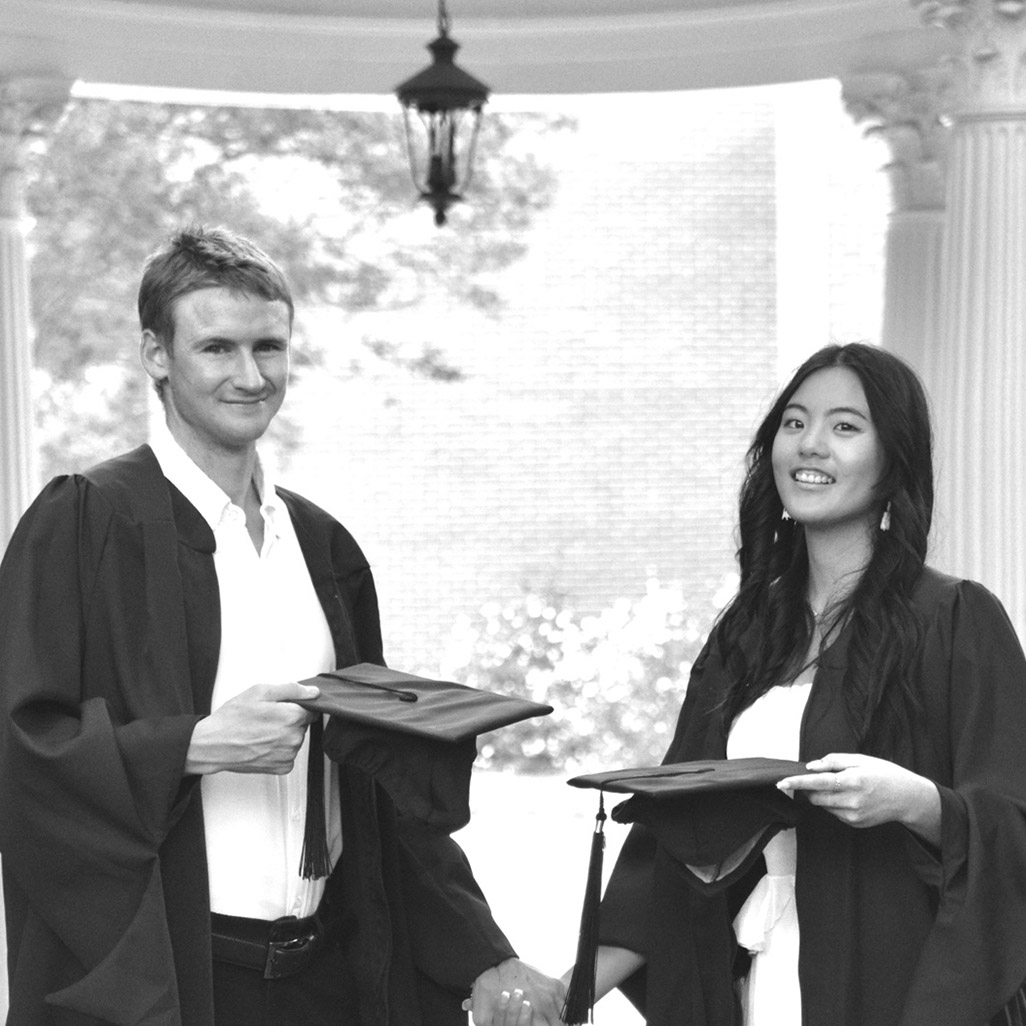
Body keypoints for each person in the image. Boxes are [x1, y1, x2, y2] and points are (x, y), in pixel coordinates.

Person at [0, 225, 565, 1026]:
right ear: (156, 354)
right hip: (180, 981)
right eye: (217, 349)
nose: (250, 375)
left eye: (270, 347)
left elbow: (381, 781)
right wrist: (190, 747)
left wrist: (482, 950)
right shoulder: (88, 522)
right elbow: (18, 754)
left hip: (326, 976)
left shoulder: (324, 547)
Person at [566, 343, 1026, 1026]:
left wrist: (916, 802)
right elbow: (667, 842)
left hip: (897, 987)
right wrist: (568, 990)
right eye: (794, 423)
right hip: (766, 976)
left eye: (845, 427)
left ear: (893, 460)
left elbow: (1011, 823)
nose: (811, 445)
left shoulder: (955, 620)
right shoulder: (747, 635)